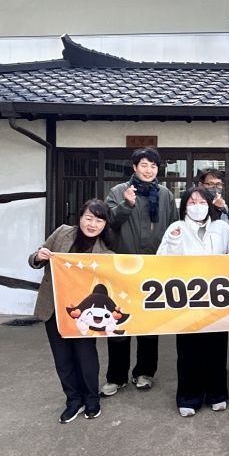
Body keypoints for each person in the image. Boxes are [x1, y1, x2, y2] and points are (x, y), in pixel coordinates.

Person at [28, 199, 113, 423]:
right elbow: (35, 258)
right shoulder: (62, 233)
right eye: (88, 218)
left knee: (86, 357)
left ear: (105, 224)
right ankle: (73, 400)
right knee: (62, 358)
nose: (92, 224)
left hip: (85, 314)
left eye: (99, 220)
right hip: (55, 307)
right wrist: (38, 256)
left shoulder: (106, 254)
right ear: (80, 217)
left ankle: (92, 399)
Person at [102, 147, 178, 396]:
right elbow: (107, 223)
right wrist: (127, 204)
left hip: (154, 269)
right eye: (144, 165)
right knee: (119, 322)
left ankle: (144, 372)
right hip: (122, 268)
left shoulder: (165, 194)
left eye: (153, 166)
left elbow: (174, 228)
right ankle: (116, 377)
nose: (148, 170)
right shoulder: (118, 191)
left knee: (149, 324)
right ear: (134, 167)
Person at [157, 186, 229, 417]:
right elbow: (160, 262)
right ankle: (189, 397)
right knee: (189, 351)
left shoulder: (221, 227)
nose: (197, 206)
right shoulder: (176, 228)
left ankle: (216, 394)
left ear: (209, 205)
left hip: (217, 300)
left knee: (216, 349)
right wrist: (173, 243)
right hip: (187, 301)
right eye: (192, 202)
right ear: (184, 206)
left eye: (201, 202)